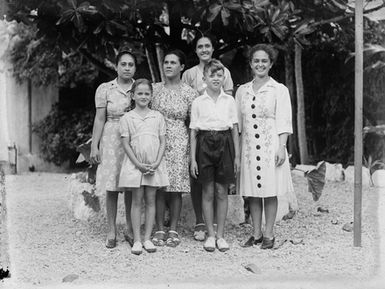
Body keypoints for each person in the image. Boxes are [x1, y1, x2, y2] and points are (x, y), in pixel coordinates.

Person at [235, 44, 294, 249]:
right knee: (252, 190)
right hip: (250, 148)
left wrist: (281, 147)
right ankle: (256, 233)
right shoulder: (242, 91)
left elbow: (285, 121)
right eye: (256, 61)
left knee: (270, 190)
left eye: (264, 61)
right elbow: (238, 125)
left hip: (271, 147)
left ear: (270, 64)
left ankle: (269, 234)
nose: (260, 64)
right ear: (251, 64)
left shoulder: (279, 89)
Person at [182, 34, 234, 241]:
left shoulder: (224, 72)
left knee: (219, 186)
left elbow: (227, 100)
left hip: (218, 130)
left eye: (207, 46)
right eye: (200, 47)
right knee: (199, 181)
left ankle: (216, 229)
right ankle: (200, 222)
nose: (204, 49)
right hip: (196, 129)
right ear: (195, 50)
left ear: (213, 49)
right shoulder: (189, 74)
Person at [190, 59, 240, 252]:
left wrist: (235, 156)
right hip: (204, 144)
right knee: (208, 191)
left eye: (220, 75)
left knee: (221, 191)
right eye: (212, 75)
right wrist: (193, 158)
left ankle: (221, 236)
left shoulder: (229, 100)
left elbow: (235, 129)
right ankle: (210, 235)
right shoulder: (198, 102)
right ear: (204, 78)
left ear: (224, 77)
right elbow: (193, 131)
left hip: (225, 142)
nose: (216, 78)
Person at [151, 50, 198, 247]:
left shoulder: (189, 92)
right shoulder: (154, 89)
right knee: (159, 186)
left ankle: (174, 230)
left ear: (182, 67)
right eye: (166, 62)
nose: (168, 66)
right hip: (156, 140)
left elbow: (193, 123)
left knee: (176, 187)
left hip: (180, 140)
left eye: (173, 62)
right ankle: (160, 227)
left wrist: (191, 153)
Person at [90, 49, 136, 249]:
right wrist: (94, 145)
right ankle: (111, 230)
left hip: (134, 138)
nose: (127, 68)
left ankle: (130, 229)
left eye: (131, 64)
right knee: (112, 186)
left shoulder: (140, 88)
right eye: (123, 64)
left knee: (130, 185)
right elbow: (100, 118)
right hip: (111, 138)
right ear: (116, 66)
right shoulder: (105, 89)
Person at [118, 78, 169, 255]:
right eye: (139, 93)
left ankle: (148, 238)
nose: (143, 96)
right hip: (135, 165)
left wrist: (156, 162)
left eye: (147, 93)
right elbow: (126, 144)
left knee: (151, 200)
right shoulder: (127, 118)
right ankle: (137, 239)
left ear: (151, 96)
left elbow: (163, 142)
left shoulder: (157, 117)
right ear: (132, 95)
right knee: (137, 201)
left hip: (153, 165)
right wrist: (138, 164)